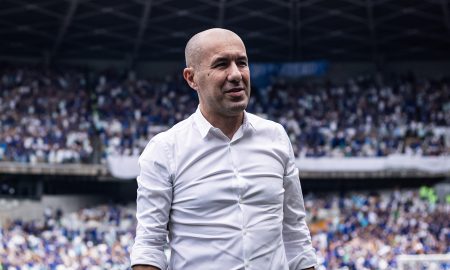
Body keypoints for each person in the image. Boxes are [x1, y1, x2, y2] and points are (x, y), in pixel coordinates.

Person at [131, 28, 317, 270]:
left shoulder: (276, 137)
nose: (236, 74)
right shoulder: (165, 150)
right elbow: (149, 247)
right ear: (191, 78)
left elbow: (295, 235)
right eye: (221, 64)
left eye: (242, 62)